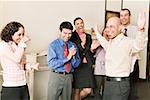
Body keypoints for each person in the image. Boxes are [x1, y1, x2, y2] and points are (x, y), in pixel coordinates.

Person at [94, 12, 147, 100]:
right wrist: (96, 31)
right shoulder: (111, 42)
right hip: (109, 84)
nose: (108, 29)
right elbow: (103, 42)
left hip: (119, 84)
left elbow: (139, 45)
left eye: (112, 26)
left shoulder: (127, 42)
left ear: (120, 28)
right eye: (107, 26)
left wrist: (140, 30)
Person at [47, 21, 80, 100]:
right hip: (56, 76)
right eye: (65, 33)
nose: (67, 36)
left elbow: (76, 64)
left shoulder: (73, 45)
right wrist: (67, 58)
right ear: (60, 31)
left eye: (69, 33)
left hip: (69, 76)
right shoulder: (53, 45)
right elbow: (52, 64)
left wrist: (74, 56)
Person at [120, 8, 146, 100]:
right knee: (122, 87)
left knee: (133, 87)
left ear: (129, 16)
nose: (123, 18)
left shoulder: (137, 29)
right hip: (121, 63)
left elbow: (141, 43)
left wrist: (141, 29)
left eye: (126, 15)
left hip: (133, 61)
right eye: (121, 15)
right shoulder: (116, 29)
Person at [0, 21, 30, 100]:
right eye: (19, 34)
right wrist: (22, 44)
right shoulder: (3, 45)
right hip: (11, 87)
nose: (22, 37)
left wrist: (29, 66)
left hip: (23, 84)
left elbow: (21, 63)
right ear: (11, 34)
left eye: (23, 34)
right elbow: (16, 59)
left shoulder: (16, 45)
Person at [69, 17, 95, 100]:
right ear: (75, 26)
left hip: (87, 65)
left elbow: (89, 50)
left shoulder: (88, 36)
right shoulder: (72, 36)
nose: (80, 25)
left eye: (81, 23)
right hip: (77, 65)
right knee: (77, 89)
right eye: (77, 24)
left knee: (88, 89)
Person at [90, 28, 109, 100]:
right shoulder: (97, 41)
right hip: (98, 70)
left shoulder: (111, 42)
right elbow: (92, 49)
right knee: (97, 90)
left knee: (106, 91)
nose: (106, 34)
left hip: (108, 70)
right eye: (105, 32)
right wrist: (102, 40)